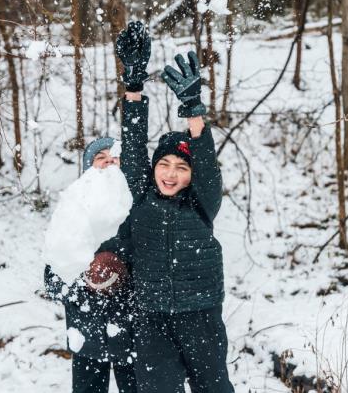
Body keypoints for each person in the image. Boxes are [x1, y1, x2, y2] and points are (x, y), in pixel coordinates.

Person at [115, 21, 234, 393]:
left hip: (200, 313)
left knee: (212, 387)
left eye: (181, 168)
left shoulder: (201, 204)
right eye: (164, 165)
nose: (170, 173)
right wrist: (133, 88)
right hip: (152, 317)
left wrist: (193, 109)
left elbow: (207, 166)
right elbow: (134, 147)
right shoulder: (141, 197)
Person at [44, 137, 136, 393]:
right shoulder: (71, 212)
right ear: (88, 168)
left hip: (133, 336)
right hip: (87, 337)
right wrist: (85, 285)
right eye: (100, 158)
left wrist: (121, 276)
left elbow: (152, 270)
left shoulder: (137, 208)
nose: (108, 163)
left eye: (114, 158)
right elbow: (53, 280)